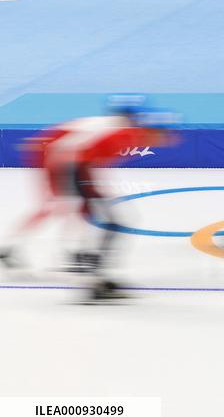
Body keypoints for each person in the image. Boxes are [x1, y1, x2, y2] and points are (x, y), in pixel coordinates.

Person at [0, 95, 178, 301]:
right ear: (150, 129)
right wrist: (73, 188)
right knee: (70, 208)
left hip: (63, 157)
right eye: (166, 133)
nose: (169, 139)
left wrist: (90, 190)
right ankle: (83, 267)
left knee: (87, 212)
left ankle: (86, 266)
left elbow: (85, 157)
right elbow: (69, 152)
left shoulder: (124, 132)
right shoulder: (122, 135)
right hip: (56, 157)